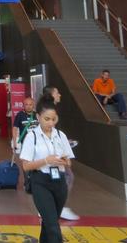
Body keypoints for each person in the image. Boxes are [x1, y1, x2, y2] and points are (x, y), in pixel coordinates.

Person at [20, 97, 75, 243]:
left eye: (53, 119)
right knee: (52, 225)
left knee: (49, 222)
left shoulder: (60, 135)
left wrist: (64, 161)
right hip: (40, 182)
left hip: (59, 183)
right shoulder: (32, 136)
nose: (51, 123)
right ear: (38, 117)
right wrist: (46, 161)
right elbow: (25, 166)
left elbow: (69, 162)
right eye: (47, 119)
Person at [41, 86, 79, 221]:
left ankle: (48, 207)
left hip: (51, 149)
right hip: (52, 150)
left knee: (55, 178)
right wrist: (63, 151)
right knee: (67, 176)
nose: (59, 95)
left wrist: (65, 141)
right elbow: (49, 130)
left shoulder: (45, 108)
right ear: (51, 94)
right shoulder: (50, 109)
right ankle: (59, 207)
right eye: (57, 92)